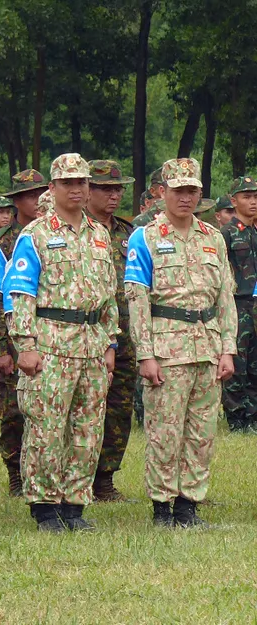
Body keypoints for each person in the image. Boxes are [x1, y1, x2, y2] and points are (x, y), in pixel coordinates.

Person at [2, 153, 118, 532]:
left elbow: (108, 295)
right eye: (68, 182)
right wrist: (26, 345)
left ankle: (74, 504)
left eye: (82, 182)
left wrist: (110, 343)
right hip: (50, 342)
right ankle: (44, 505)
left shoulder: (100, 235)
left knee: (87, 429)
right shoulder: (35, 235)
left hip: (91, 342)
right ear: (52, 188)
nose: (76, 188)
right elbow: (20, 293)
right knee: (47, 428)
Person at [124, 157, 236, 527]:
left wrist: (228, 349)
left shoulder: (212, 238)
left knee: (202, 433)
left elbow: (225, 298)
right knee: (164, 432)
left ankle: (189, 505)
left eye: (192, 190)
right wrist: (146, 354)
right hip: (166, 348)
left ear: (200, 193)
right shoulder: (145, 236)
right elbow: (137, 299)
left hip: (207, 346)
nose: (185, 198)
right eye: (178, 191)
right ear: (163, 193)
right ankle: (162, 506)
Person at [0, 168, 48, 496]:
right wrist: (1, 350)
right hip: (13, 340)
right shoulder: (2, 242)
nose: (38, 201)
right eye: (30, 195)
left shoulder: (49, 234)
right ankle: (15, 473)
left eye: (41, 193)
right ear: (17, 201)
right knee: (14, 413)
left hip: (51, 338)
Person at [85, 160, 136, 501]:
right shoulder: (78, 231)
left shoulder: (128, 233)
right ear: (87, 190)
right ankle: (75, 477)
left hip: (127, 335)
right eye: (106, 188)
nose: (114, 195)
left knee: (119, 407)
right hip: (88, 334)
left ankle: (105, 478)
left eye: (118, 189)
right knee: (84, 407)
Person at [219, 176, 257, 432]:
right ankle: (237, 418)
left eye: (255, 197)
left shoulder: (255, 232)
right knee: (238, 364)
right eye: (246, 197)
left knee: (255, 362)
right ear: (234, 201)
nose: (253, 201)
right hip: (237, 305)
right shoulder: (226, 234)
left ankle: (253, 415)